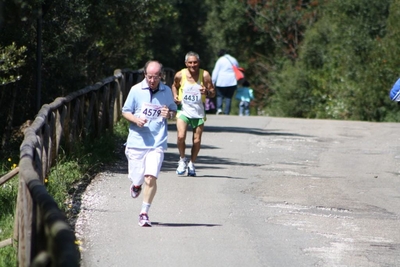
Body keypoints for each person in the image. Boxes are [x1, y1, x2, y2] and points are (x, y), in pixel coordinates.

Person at [122, 60, 177, 227]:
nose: (152, 80)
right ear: (145, 75)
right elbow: (125, 111)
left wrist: (170, 114)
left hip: (157, 142)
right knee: (138, 177)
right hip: (137, 141)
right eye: (149, 76)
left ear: (161, 76)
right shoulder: (136, 90)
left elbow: (174, 111)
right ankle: (136, 185)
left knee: (151, 177)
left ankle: (144, 213)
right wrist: (136, 120)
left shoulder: (166, 91)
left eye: (155, 77)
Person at [171, 51, 215, 176]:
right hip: (183, 110)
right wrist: (175, 96)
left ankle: (191, 163)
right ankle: (182, 159)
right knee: (180, 136)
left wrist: (206, 91)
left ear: (199, 63)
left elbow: (213, 92)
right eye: (190, 62)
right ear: (186, 63)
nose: (193, 65)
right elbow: (174, 86)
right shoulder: (180, 75)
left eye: (195, 62)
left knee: (196, 140)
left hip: (198, 111)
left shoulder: (204, 75)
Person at [212, 49, 240, 115]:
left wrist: (213, 81)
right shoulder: (234, 59)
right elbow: (238, 69)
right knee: (228, 97)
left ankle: (219, 109)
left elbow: (216, 71)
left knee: (219, 96)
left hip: (221, 81)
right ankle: (227, 112)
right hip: (232, 81)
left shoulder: (220, 60)